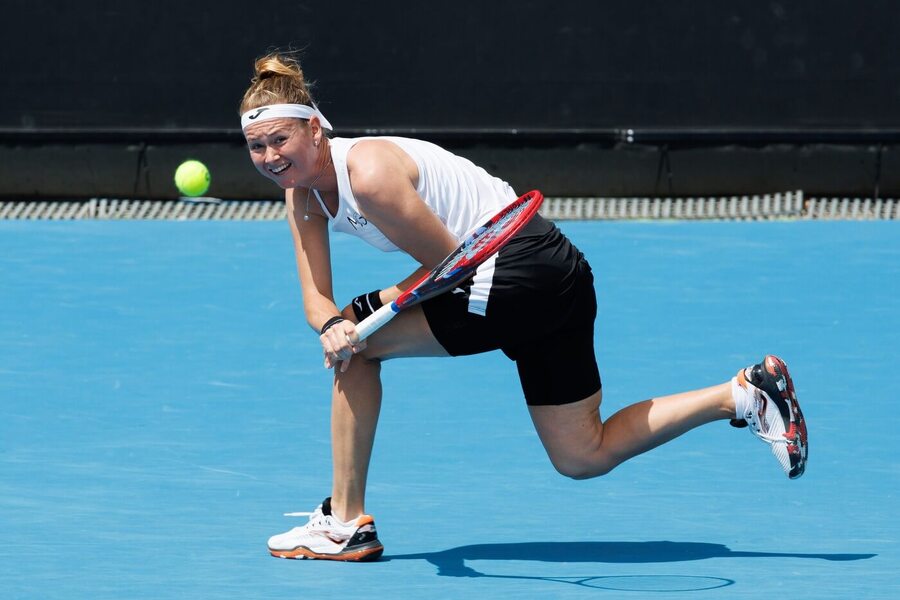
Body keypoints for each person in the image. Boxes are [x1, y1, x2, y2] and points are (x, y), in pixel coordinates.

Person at [239, 52, 808, 562]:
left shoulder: (368, 174)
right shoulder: (302, 196)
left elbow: (451, 266)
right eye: (257, 146)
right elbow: (315, 298)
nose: (269, 156)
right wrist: (336, 323)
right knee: (582, 454)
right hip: (555, 271)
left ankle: (344, 523)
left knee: (361, 350)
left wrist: (364, 317)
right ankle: (744, 393)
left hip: (516, 268)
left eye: (280, 140)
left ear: (315, 129)